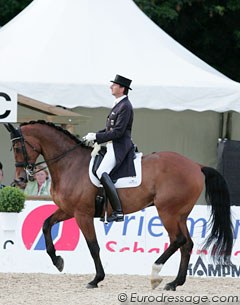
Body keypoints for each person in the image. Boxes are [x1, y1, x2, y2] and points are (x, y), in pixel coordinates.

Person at [83, 74, 136, 222]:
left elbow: (118, 132)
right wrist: (95, 134)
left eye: (114, 85)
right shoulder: (118, 104)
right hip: (112, 144)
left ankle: (118, 211)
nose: (111, 87)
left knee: (101, 171)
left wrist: (97, 138)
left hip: (119, 146)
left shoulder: (125, 106)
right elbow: (109, 129)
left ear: (122, 88)